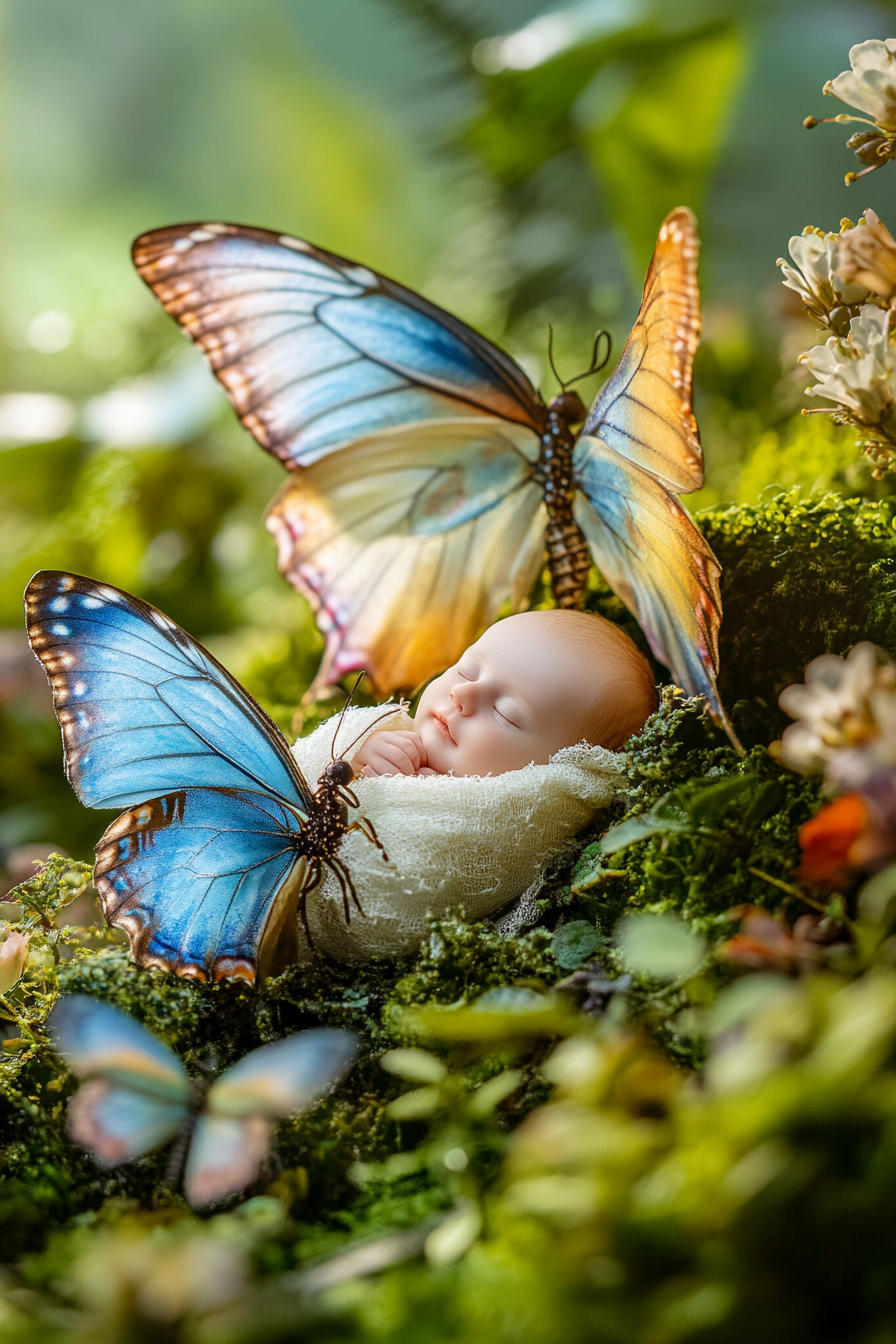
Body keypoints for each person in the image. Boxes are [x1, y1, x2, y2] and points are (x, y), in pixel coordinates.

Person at [352, 609, 657, 779]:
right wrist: (357, 758)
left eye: (505, 714)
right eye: (466, 670)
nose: (461, 693)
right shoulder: (387, 732)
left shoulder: (501, 826)